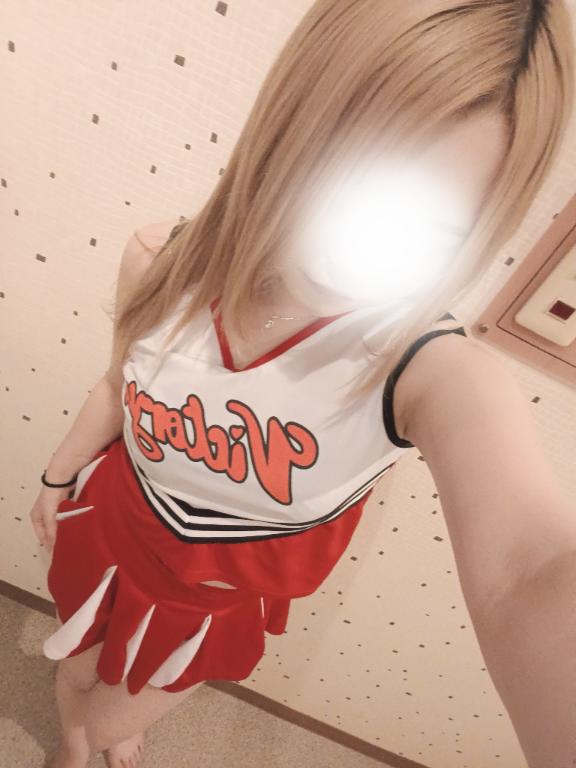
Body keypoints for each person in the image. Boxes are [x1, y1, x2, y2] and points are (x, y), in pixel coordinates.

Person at [30, 1, 574, 767]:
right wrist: (56, 477)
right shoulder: (162, 260)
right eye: (344, 180)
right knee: (76, 674)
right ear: (284, 132)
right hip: (108, 531)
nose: (347, 257)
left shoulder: (426, 371)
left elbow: (530, 569)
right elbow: (118, 384)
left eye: (427, 230)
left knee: (113, 717)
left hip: (208, 602)